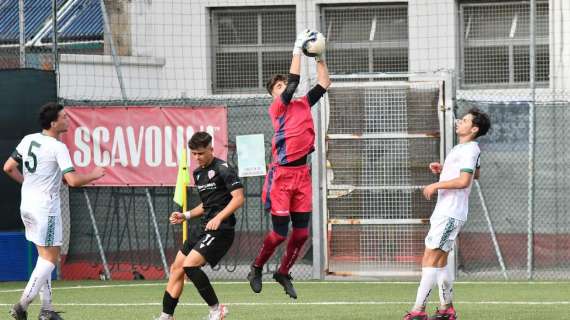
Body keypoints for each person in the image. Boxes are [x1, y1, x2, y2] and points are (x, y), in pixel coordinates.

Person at [247, 30, 331, 299]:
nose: (284, 88)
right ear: (273, 95)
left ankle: (283, 272)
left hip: (302, 175)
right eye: (279, 87)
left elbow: (324, 83)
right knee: (280, 234)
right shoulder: (278, 109)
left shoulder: (303, 103)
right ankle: (257, 267)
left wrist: (319, 57)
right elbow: (294, 82)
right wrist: (297, 48)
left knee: (302, 233)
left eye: (283, 85)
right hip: (281, 177)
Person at [4, 102, 105, 320]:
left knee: (44, 258)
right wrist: (95, 174)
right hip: (45, 208)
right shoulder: (57, 147)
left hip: (27, 205)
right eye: (64, 117)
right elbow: (74, 180)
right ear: (53, 123)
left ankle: (47, 310)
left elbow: (8, 167)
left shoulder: (28, 139)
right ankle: (22, 305)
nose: (67, 119)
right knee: (50, 259)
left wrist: (28, 184)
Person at [403, 108, 491, 320]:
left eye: (465, 120)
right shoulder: (464, 148)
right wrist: (444, 169)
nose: (460, 122)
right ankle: (446, 310)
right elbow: (475, 173)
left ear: (474, 128)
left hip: (450, 213)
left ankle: (418, 311)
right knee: (440, 261)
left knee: (430, 259)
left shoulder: (469, 149)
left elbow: (465, 181)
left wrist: (437, 184)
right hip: (445, 211)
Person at [156, 132, 244, 320]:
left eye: (201, 153)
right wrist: (185, 215)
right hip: (204, 227)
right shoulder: (198, 173)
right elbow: (207, 204)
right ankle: (166, 316)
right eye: (194, 154)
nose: (197, 157)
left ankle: (216, 309)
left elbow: (238, 199)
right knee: (177, 267)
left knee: (190, 265)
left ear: (211, 149)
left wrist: (219, 218)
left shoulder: (224, 169)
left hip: (221, 229)